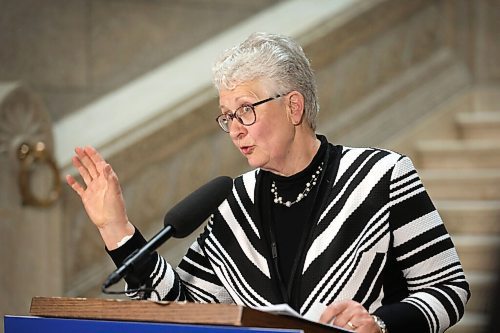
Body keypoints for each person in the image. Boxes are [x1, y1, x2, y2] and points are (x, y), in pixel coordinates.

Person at [66, 32, 470, 333]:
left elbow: (449, 289)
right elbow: (184, 309)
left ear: (293, 106)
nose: (236, 129)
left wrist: (380, 325)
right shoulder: (232, 203)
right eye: (227, 116)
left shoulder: (381, 177)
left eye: (246, 110)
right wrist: (116, 229)